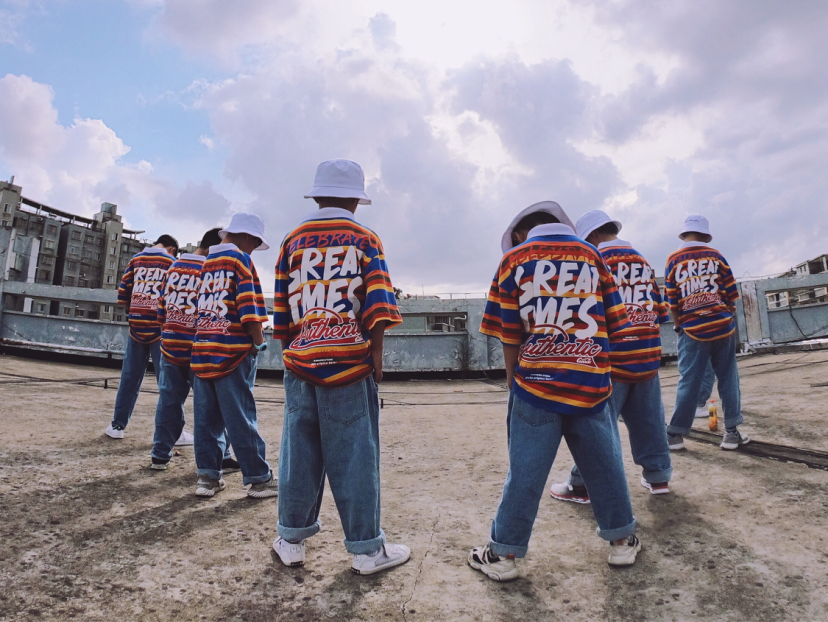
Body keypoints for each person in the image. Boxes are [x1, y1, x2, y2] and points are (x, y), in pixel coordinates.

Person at [468, 203, 641, 582]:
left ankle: (504, 556)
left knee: (525, 473)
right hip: (591, 384)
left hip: (535, 385)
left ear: (519, 233)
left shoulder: (514, 261)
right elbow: (614, 324)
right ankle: (622, 542)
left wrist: (515, 382)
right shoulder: (592, 256)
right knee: (605, 465)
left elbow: (509, 334)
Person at [271, 159, 410, 575]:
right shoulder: (364, 239)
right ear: (355, 198)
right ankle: (367, 551)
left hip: (300, 361)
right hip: (350, 364)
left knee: (299, 454)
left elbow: (281, 311)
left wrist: (291, 357)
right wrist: (376, 357)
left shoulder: (291, 240)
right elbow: (379, 305)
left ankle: (290, 540)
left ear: (316, 195)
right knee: (356, 457)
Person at [549, 210, 673, 504]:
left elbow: (582, 314)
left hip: (610, 360)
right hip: (647, 356)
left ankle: (581, 485)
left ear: (591, 236)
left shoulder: (591, 260)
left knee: (596, 430)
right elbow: (661, 311)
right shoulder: (642, 260)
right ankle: (658, 477)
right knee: (650, 421)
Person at [190, 213, 277, 498]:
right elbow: (248, 307)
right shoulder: (241, 260)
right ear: (247, 238)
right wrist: (258, 342)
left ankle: (207, 478)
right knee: (240, 416)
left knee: (205, 420)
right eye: (255, 243)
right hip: (232, 352)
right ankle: (259, 478)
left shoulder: (206, 264)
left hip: (203, 351)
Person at [150, 228, 239, 473]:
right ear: (214, 248)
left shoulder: (174, 268)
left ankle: (160, 454)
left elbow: (161, 312)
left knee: (169, 401)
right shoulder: (210, 270)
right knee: (210, 410)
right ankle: (220, 458)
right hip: (199, 349)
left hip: (169, 344)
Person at [665, 215, 749, 451]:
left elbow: (673, 301)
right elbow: (732, 294)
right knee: (728, 380)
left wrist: (679, 326)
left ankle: (674, 435)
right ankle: (731, 433)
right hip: (723, 327)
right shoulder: (716, 256)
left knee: (688, 382)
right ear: (705, 235)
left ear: (684, 234)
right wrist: (727, 318)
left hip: (692, 330)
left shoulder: (673, 259)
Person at [106, 235, 189, 442]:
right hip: (160, 329)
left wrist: (134, 315)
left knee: (130, 377)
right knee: (168, 383)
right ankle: (173, 433)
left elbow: (123, 294)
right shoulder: (171, 262)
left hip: (136, 326)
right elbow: (175, 296)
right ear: (172, 249)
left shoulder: (135, 260)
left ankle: (117, 425)